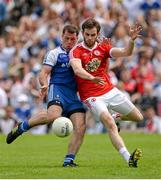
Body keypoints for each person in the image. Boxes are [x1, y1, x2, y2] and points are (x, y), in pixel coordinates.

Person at [6, 25, 86, 167]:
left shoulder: (80, 53)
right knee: (53, 116)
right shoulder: (54, 53)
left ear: (77, 39)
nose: (69, 41)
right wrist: (44, 84)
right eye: (66, 38)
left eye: (72, 39)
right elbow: (43, 73)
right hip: (58, 89)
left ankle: (69, 161)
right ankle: (22, 127)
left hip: (73, 95)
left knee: (80, 126)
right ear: (62, 37)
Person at [70, 18, 143, 168]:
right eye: (87, 34)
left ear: (97, 34)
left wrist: (131, 40)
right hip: (91, 96)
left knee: (138, 117)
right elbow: (77, 70)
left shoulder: (103, 47)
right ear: (82, 33)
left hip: (110, 90)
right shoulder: (76, 50)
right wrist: (92, 78)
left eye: (93, 35)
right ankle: (128, 158)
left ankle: (115, 117)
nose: (89, 38)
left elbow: (125, 52)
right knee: (110, 124)